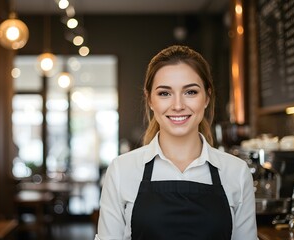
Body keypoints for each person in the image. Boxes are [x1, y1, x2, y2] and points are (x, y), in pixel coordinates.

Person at [95, 45, 257, 240]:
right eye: (165, 93)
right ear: (150, 100)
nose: (178, 105)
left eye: (190, 92)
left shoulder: (237, 172)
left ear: (207, 97)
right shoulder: (121, 170)